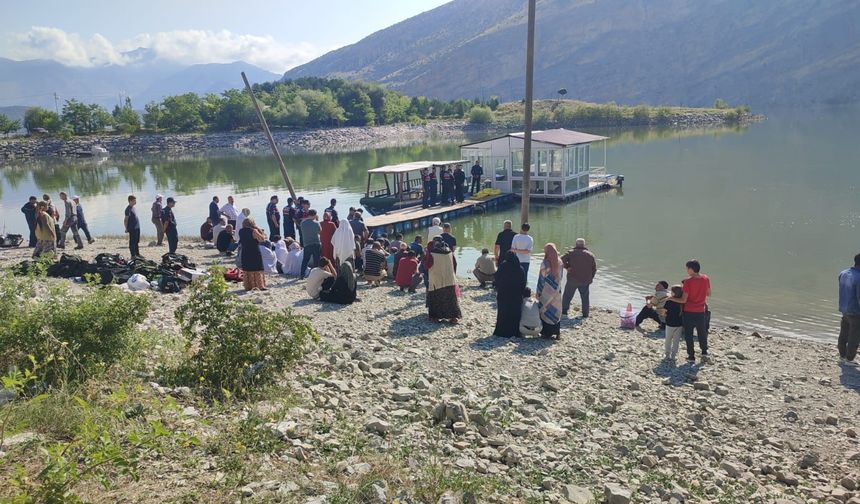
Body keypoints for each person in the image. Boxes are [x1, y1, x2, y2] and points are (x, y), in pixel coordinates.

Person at [673, 260, 712, 362]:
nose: (686, 270)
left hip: (689, 311)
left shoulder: (688, 281)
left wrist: (671, 298)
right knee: (702, 332)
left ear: (691, 269)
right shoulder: (706, 278)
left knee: (689, 334)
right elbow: (709, 294)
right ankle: (704, 352)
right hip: (700, 311)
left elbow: (683, 300)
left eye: (687, 268)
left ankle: (691, 356)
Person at [425, 240, 461, 323]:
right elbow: (455, 264)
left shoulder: (432, 253)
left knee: (436, 298)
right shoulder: (450, 252)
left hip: (436, 279)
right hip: (449, 279)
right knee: (450, 299)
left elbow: (427, 265)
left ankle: (435, 317)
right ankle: (453, 317)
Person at [494, 251, 527, 337]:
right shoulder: (520, 269)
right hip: (516, 297)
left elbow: (496, 278)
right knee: (514, 313)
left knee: (502, 313)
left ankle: (501, 332)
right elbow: (523, 283)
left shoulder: (502, 267)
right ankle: (514, 332)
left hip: (503, 295)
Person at [561, 238, 596, 318]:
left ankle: (564, 312)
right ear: (584, 245)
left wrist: (567, 267)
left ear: (576, 244)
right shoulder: (590, 255)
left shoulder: (570, 253)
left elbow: (560, 260)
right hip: (585, 280)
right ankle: (585, 314)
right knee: (585, 297)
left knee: (567, 296)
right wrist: (590, 278)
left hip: (573, 279)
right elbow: (594, 269)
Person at [537, 243, 564, 338]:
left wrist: (538, 291)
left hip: (546, 291)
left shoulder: (545, 263)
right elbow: (561, 277)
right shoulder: (560, 262)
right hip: (556, 290)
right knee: (555, 310)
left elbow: (541, 279)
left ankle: (546, 332)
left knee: (545, 309)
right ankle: (557, 332)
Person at [839, 253, 860, 365]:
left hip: (844, 308)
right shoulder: (859, 278)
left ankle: (842, 356)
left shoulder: (843, 273)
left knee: (844, 333)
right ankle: (849, 359)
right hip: (856, 312)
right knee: (854, 336)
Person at [239, 218, 268, 291]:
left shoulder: (241, 231)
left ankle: (248, 285)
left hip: (245, 251)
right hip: (254, 251)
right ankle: (259, 285)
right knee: (257, 268)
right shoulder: (253, 231)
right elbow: (262, 239)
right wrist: (260, 231)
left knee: (247, 268)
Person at [663, 285, 685, 361]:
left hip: (669, 323)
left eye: (671, 291)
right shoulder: (682, 302)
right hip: (679, 324)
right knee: (676, 340)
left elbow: (664, 312)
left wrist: (664, 315)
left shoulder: (669, 301)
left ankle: (667, 354)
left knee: (668, 339)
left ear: (674, 293)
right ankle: (673, 355)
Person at [299, 209, 322, 279]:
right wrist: (317, 220)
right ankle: (315, 275)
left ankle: (302, 275)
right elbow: (320, 231)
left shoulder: (302, 223)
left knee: (305, 260)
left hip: (306, 244)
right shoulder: (316, 223)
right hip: (315, 243)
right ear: (314, 215)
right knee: (316, 260)